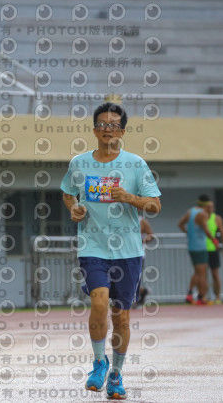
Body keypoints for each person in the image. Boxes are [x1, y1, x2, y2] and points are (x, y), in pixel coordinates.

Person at [61, 102, 161, 400]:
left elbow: (155, 205)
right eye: (102, 125)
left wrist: (129, 197)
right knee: (99, 302)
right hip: (92, 247)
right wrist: (74, 208)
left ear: (122, 131)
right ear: (94, 130)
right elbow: (68, 194)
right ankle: (98, 362)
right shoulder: (79, 163)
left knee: (121, 317)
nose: (108, 129)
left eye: (114, 125)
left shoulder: (136, 164)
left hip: (128, 251)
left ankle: (116, 373)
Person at [178, 194, 219, 305]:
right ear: (206, 205)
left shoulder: (190, 212)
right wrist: (214, 240)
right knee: (202, 273)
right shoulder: (202, 214)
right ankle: (201, 296)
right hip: (200, 246)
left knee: (197, 272)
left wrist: (188, 233)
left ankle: (190, 294)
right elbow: (206, 230)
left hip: (192, 246)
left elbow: (180, 224)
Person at [206, 201, 223, 304]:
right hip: (202, 249)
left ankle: (218, 296)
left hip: (213, 250)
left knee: (215, 274)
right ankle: (205, 296)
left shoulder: (217, 218)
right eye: (207, 207)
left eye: (211, 207)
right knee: (203, 274)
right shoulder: (201, 218)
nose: (209, 209)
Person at [132, 215, 154, 308]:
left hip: (138, 255)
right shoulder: (121, 219)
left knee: (133, 279)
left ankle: (138, 296)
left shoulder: (142, 221)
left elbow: (151, 236)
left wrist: (141, 241)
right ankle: (142, 291)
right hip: (122, 254)